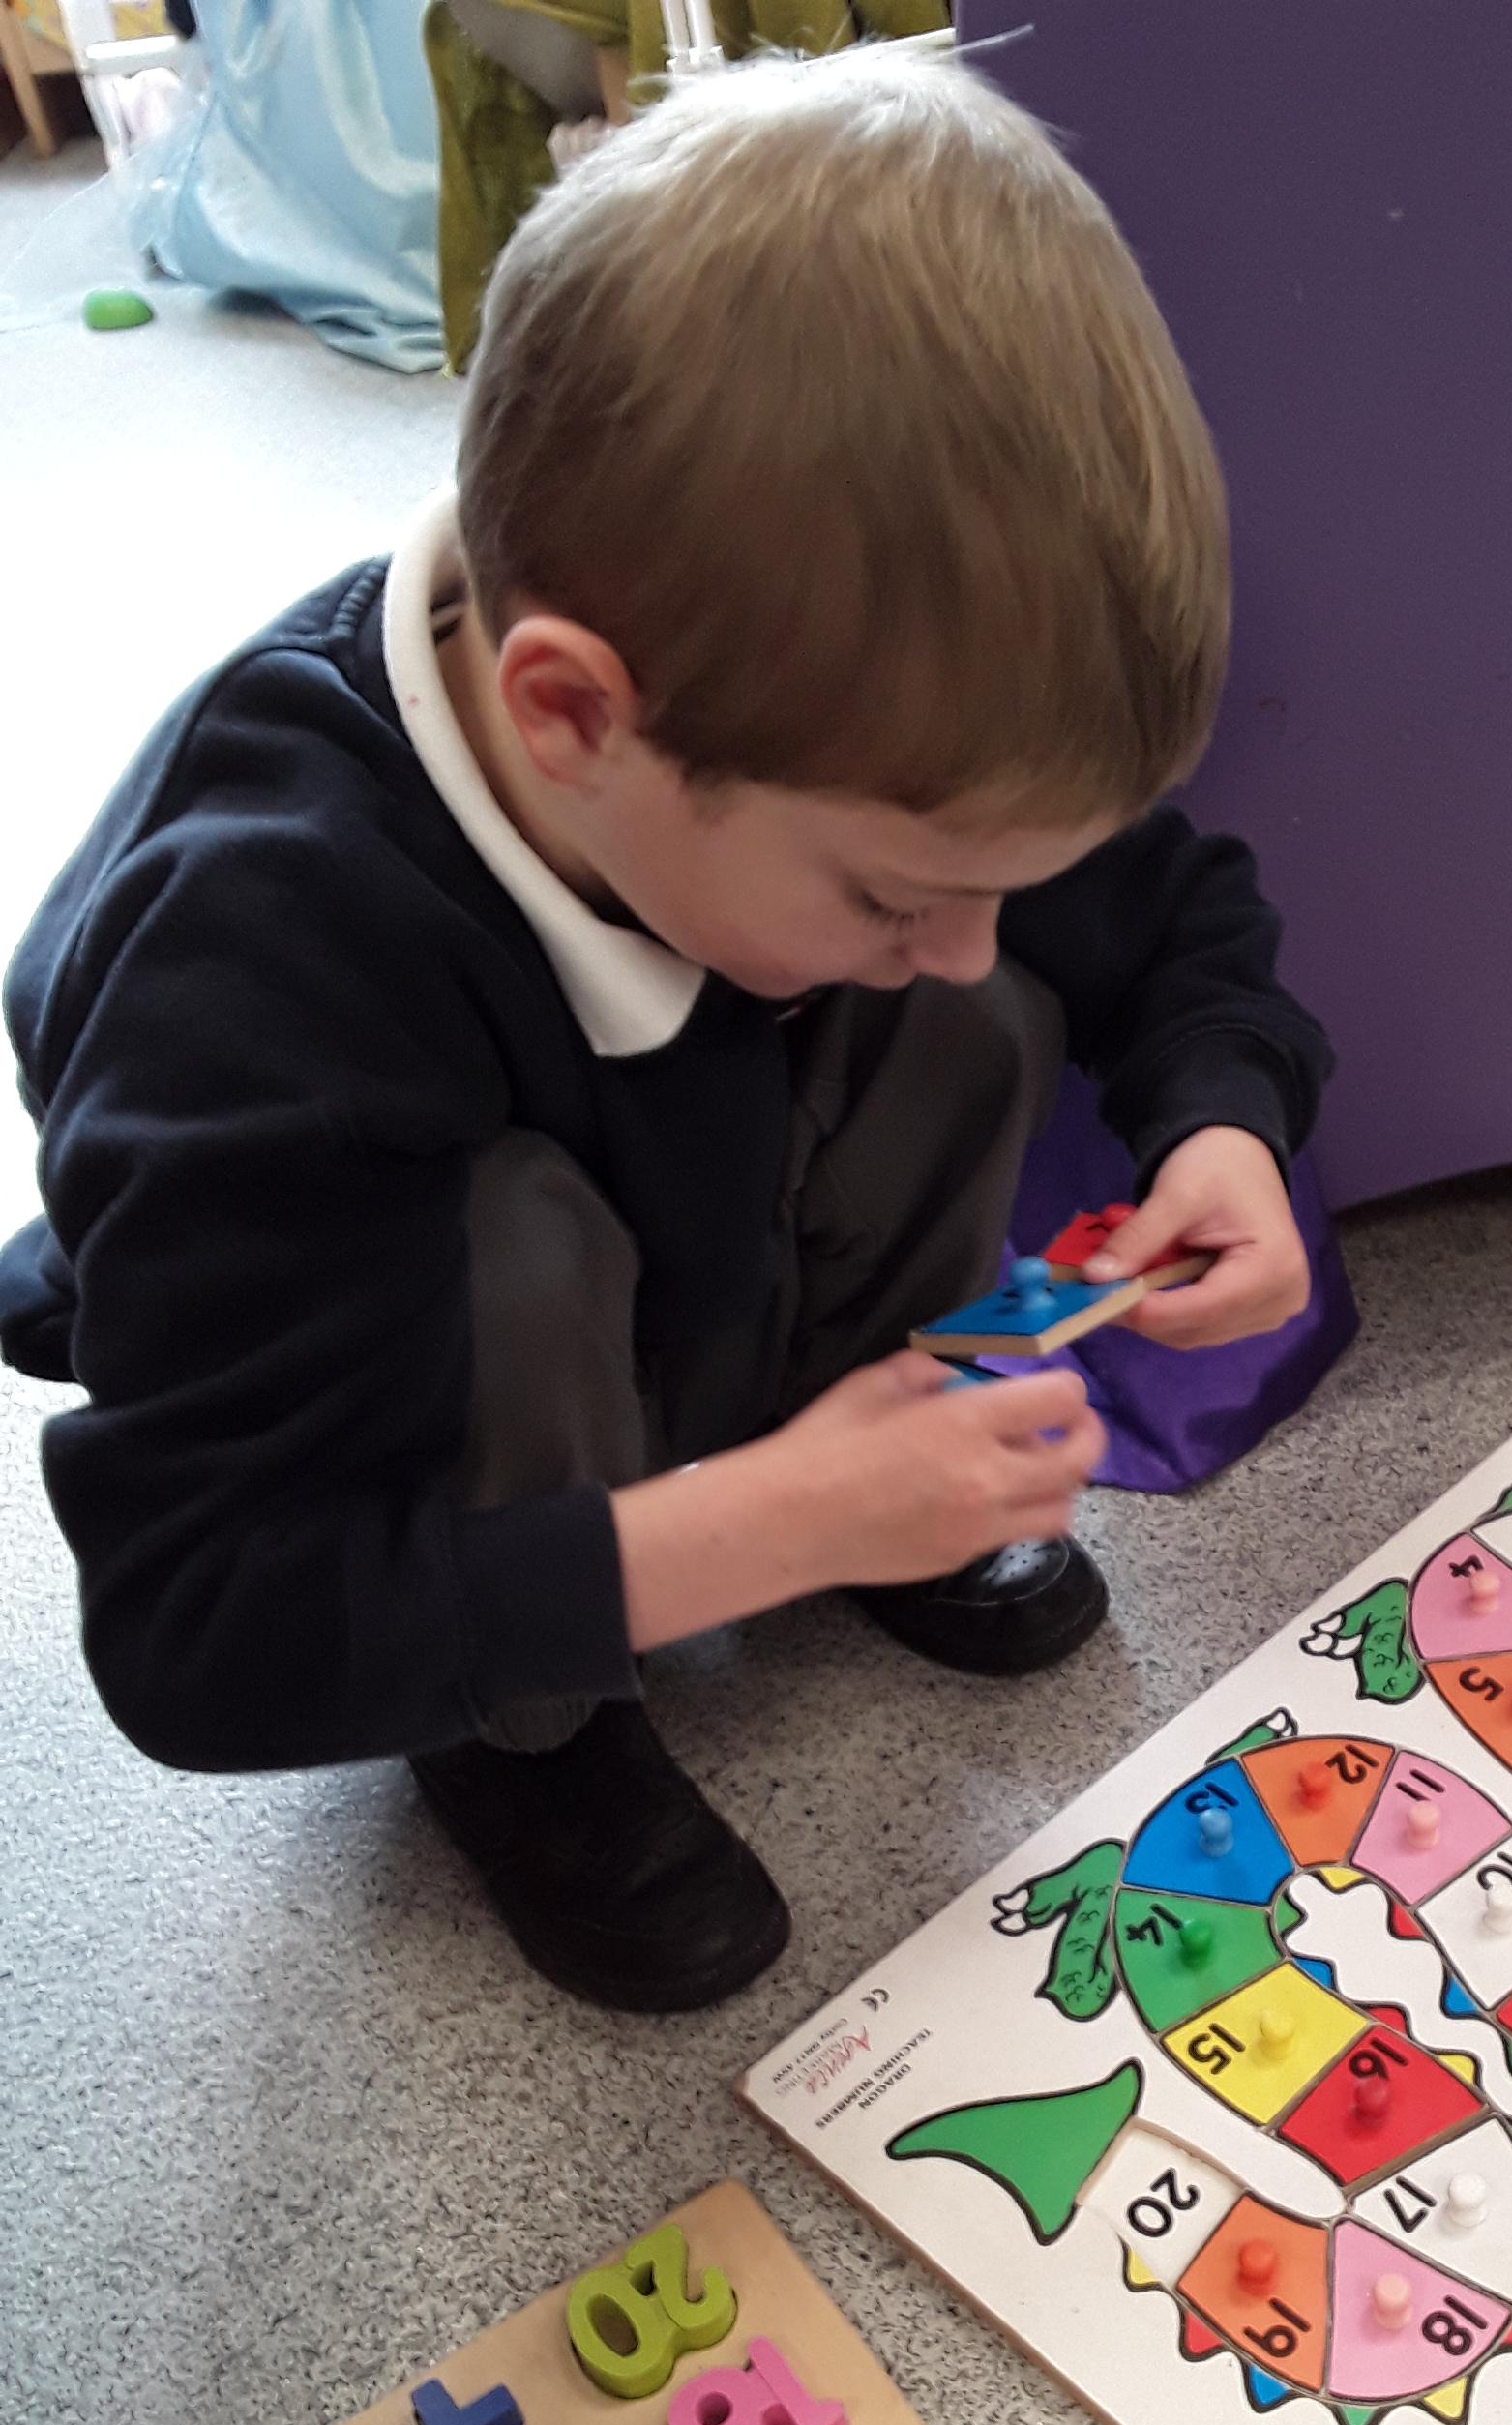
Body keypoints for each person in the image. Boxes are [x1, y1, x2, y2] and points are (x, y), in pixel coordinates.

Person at [0, 44, 1333, 2015]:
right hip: (388, 1307)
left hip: (707, 1185)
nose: (964, 942)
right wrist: (732, 1538)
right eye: (892, 891)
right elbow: (202, 1630)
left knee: (975, 1006)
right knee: (509, 1240)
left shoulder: (843, 731)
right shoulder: (266, 976)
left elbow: (1150, 917)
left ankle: (859, 1432)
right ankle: (530, 1728)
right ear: (570, 716)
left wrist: (1221, 1115)